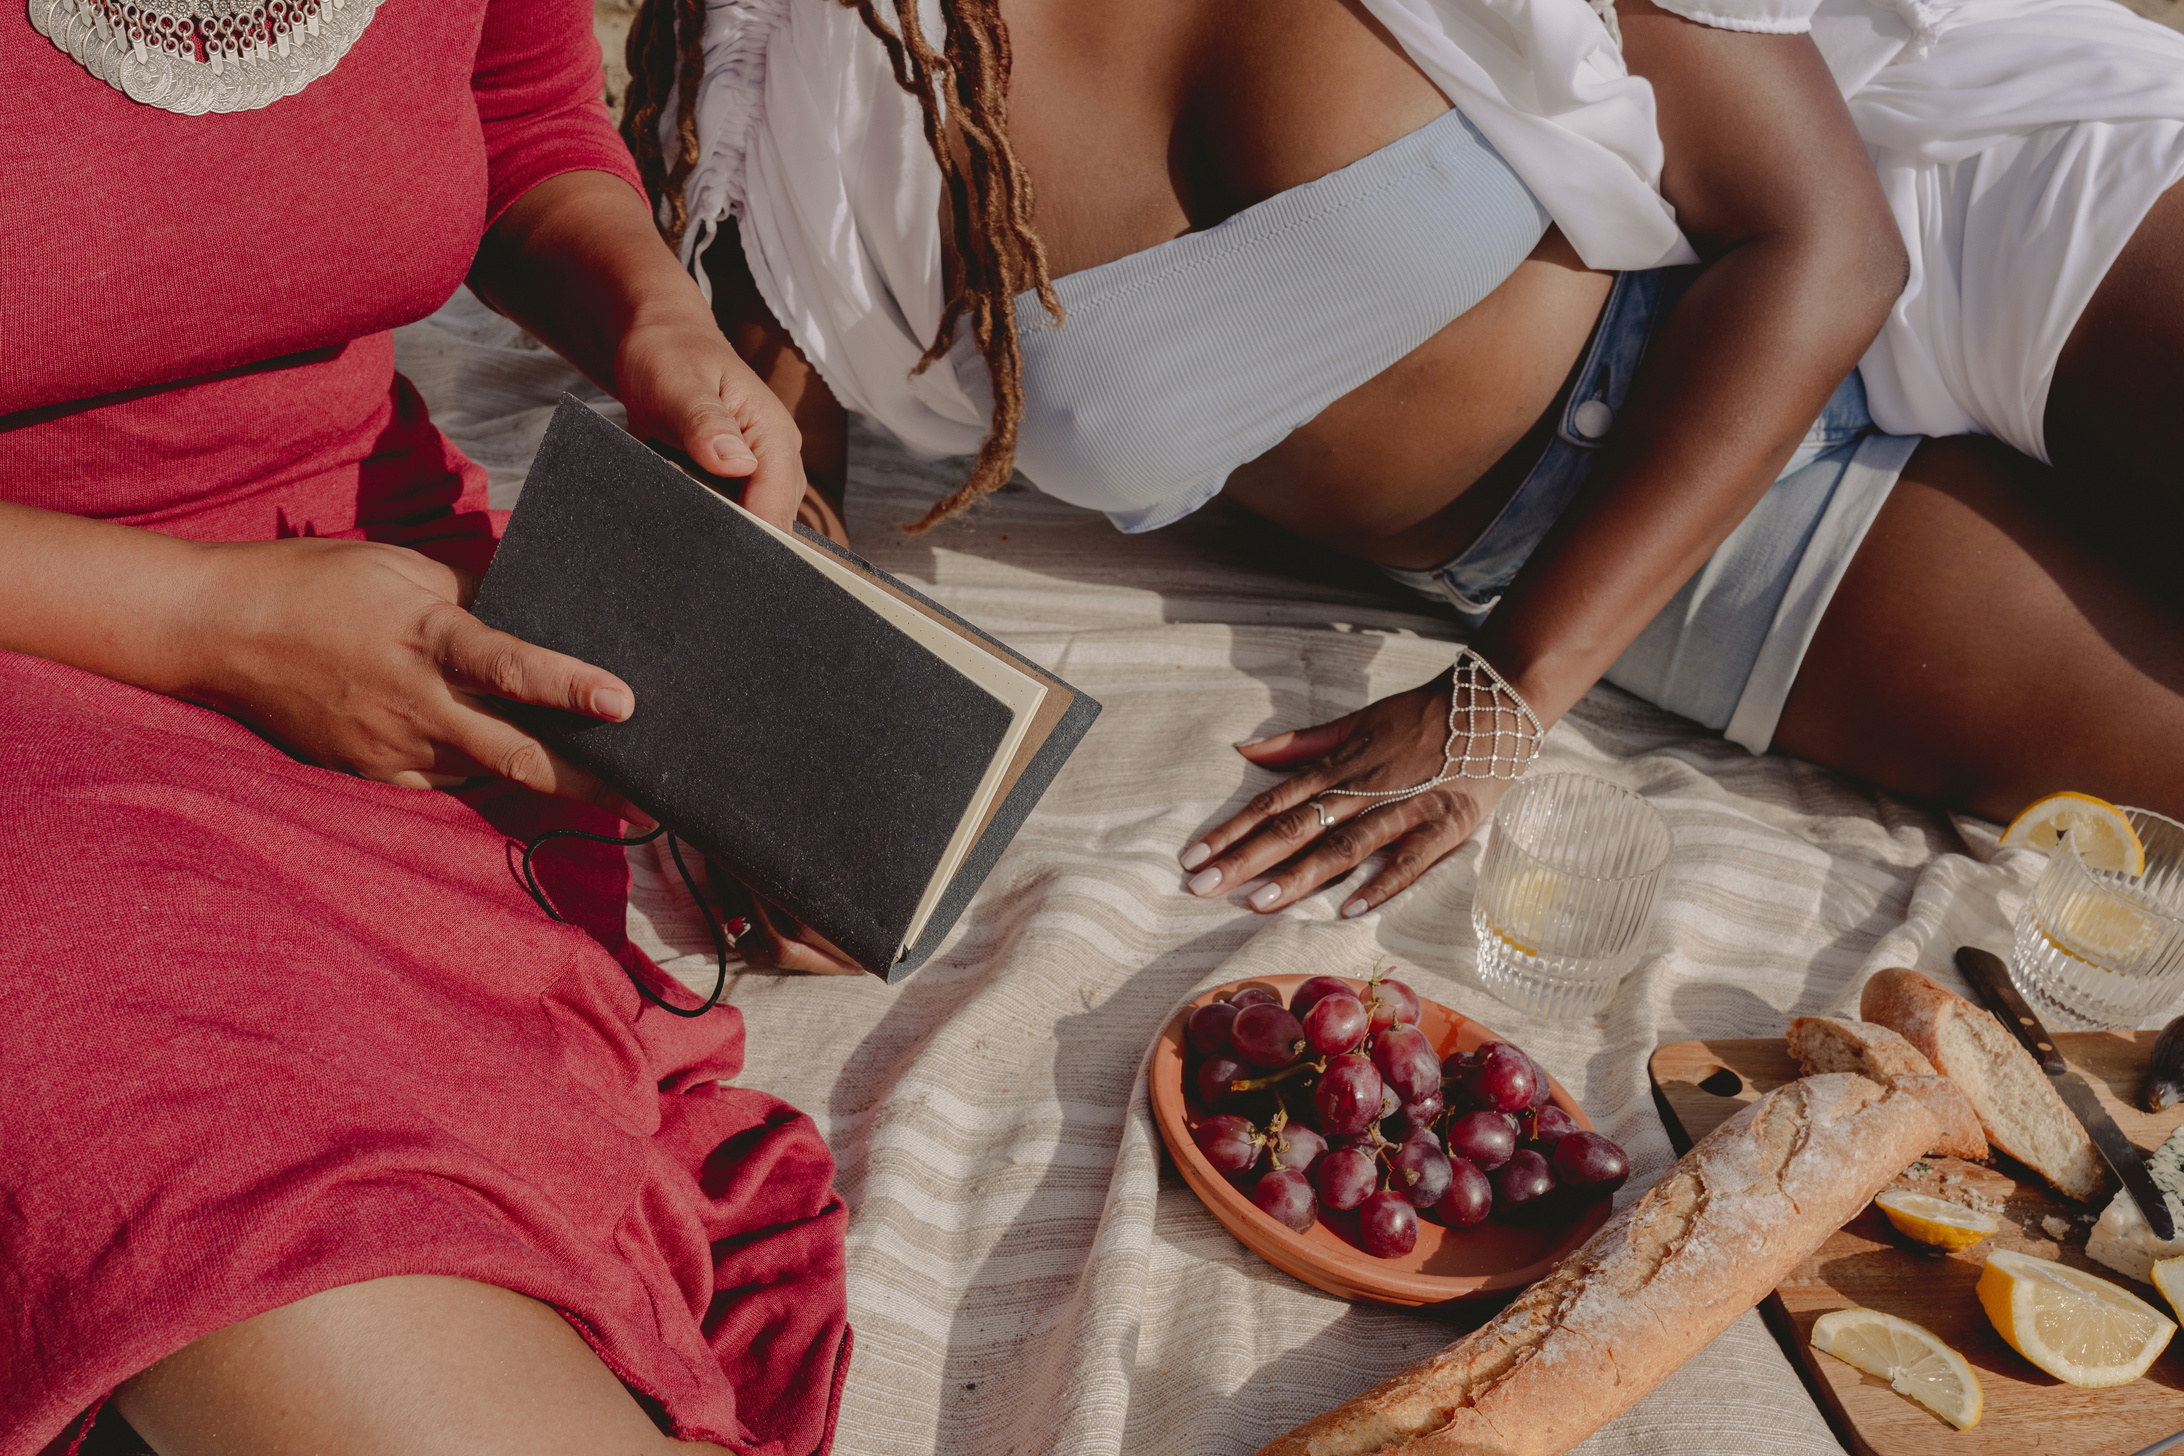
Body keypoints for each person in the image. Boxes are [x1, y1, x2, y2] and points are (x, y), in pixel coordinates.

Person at [625, 0, 2184, 924]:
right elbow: (772, 434)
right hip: (1663, 523)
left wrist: (1500, 701)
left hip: (1955, 182)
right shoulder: (820, 80)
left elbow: (1824, 247)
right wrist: (782, 800)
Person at [0, 3, 851, 1454]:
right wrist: (211, 626)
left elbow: (514, 117)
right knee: (231, 1179)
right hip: (49, 639)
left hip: (375, 597)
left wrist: (654, 316)